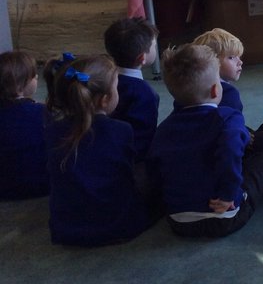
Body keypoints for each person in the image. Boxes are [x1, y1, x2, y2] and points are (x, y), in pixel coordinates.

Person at [148, 44, 263, 237]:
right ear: (216, 90)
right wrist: (228, 194)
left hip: (178, 221)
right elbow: (230, 153)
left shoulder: (163, 130)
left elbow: (155, 170)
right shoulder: (229, 118)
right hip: (224, 216)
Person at [45, 54, 158, 246]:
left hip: (66, 228)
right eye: (116, 88)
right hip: (120, 225)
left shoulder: (51, 130)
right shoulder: (122, 130)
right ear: (105, 100)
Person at [104, 17, 160, 161]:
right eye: (154, 46)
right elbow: (144, 137)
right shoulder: (144, 93)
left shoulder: (102, 79)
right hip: (130, 160)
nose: (155, 48)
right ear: (142, 58)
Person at [0, 50, 49, 199]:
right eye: (33, 75)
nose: (37, 77)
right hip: (41, 187)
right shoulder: (43, 113)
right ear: (20, 85)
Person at [190, 28, 245, 111]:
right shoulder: (229, 93)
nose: (240, 62)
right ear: (212, 62)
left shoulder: (189, 89)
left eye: (238, 56)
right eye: (231, 57)